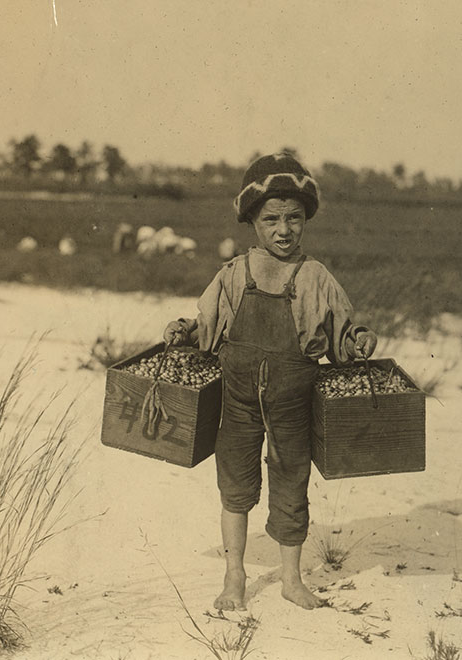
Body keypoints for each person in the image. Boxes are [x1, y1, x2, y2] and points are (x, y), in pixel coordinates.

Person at [163, 153, 377, 610]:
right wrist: (184, 331)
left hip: (292, 407)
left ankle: (292, 580)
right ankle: (234, 575)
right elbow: (207, 324)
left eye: (294, 219)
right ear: (253, 222)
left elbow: (341, 334)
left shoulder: (317, 277)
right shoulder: (235, 273)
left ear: (306, 221)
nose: (284, 230)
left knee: (291, 486)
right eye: (272, 219)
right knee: (235, 488)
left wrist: (359, 340)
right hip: (237, 405)